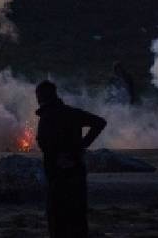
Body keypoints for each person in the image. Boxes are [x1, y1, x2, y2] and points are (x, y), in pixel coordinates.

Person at [36, 80, 106, 238]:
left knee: (57, 218)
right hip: (76, 171)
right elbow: (99, 123)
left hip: (57, 175)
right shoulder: (71, 113)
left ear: (41, 96)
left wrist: (81, 146)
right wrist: (82, 145)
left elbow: (45, 144)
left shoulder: (48, 117)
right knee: (78, 217)